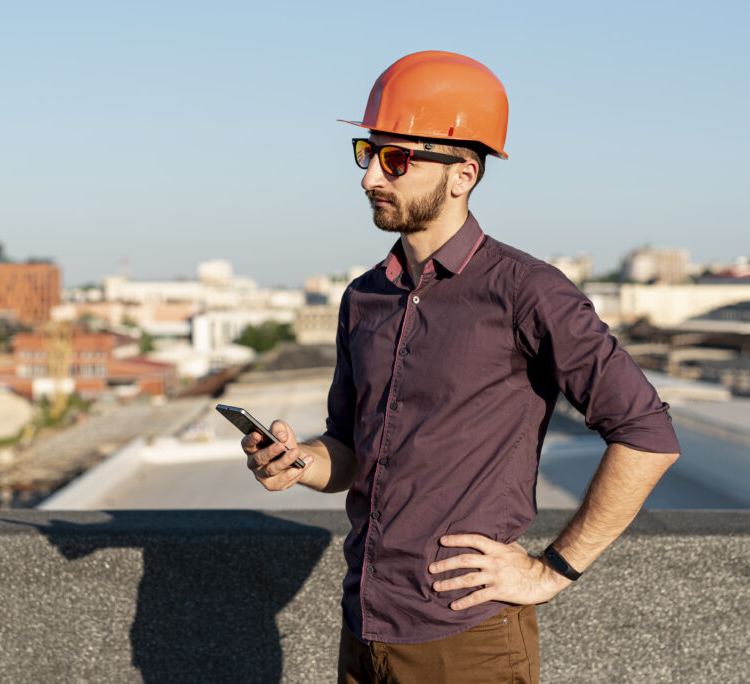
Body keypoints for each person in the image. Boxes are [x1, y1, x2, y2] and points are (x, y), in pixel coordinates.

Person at [241, 51, 680, 683]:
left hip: (466, 641)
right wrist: (299, 462)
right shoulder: (364, 297)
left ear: (462, 174)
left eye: (397, 159)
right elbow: (351, 454)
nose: (370, 178)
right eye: (369, 154)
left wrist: (552, 569)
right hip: (363, 627)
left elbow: (647, 434)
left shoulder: (527, 290)